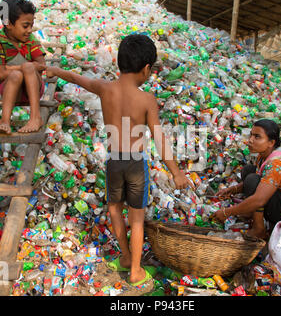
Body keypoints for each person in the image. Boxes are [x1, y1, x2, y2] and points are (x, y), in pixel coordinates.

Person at [45, 34, 194, 286]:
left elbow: (74, 78)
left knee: (115, 208)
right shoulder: (146, 100)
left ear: (118, 63)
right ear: (146, 69)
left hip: (113, 161)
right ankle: (135, 270)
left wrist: (52, 69)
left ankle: (125, 257)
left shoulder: (105, 88)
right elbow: (158, 138)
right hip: (136, 163)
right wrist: (176, 172)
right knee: (136, 218)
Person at [213, 119, 281, 239]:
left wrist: (226, 212)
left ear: (271, 142)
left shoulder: (276, 164)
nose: (250, 140)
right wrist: (232, 190)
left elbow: (259, 199)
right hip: (279, 200)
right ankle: (252, 212)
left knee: (252, 180)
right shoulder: (263, 156)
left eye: (257, 137)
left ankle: (259, 229)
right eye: (251, 135)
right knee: (248, 170)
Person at [0, 0, 46, 134]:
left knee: (28, 67)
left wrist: (23, 68)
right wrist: (21, 69)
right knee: (16, 74)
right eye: (25, 26)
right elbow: (1, 74)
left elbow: (42, 66)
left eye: (31, 25)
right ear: (8, 24)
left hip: (33, 90)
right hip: (11, 92)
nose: (29, 30)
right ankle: (5, 121)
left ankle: (35, 117)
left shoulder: (31, 40)